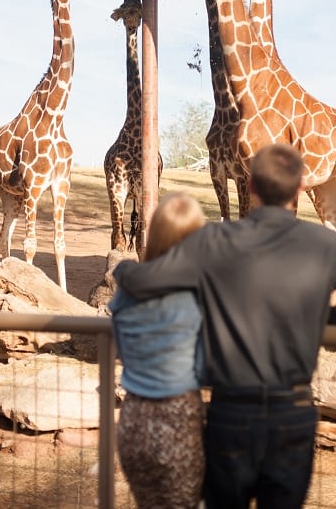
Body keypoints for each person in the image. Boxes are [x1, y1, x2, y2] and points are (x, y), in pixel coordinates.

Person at [114, 143, 336, 509]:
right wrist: (311, 317)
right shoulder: (323, 244)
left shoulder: (216, 239)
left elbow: (145, 280)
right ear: (299, 189)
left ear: (251, 185)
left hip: (231, 415)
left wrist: (121, 266)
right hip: (292, 417)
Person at [109, 191, 207, 509]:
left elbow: (121, 346)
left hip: (134, 419)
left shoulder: (128, 290)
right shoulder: (199, 294)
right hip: (178, 417)